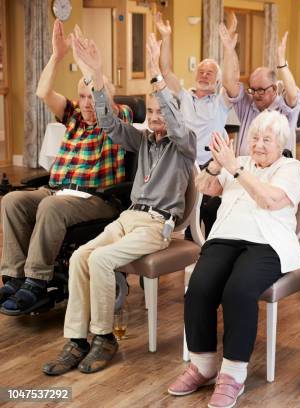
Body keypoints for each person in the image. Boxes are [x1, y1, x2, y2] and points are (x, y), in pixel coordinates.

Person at [42, 33, 196, 375]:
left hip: (158, 225)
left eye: (161, 112)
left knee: (100, 259)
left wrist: (157, 74)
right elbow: (109, 124)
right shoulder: (141, 140)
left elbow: (174, 119)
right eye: (151, 112)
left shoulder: (185, 144)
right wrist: (97, 75)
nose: (155, 117)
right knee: (82, 256)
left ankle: (103, 337)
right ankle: (77, 341)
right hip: (129, 217)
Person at [167, 111, 300, 408]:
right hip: (225, 237)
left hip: (268, 243)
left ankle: (232, 375)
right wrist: (216, 166)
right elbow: (206, 187)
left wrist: (235, 169)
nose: (259, 144)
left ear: (280, 144)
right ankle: (202, 366)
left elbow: (270, 200)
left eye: (267, 139)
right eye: (254, 138)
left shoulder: (291, 167)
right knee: (199, 287)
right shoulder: (237, 161)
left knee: (238, 291)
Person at [0, 20, 132, 315]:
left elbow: (103, 101)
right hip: (58, 191)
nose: (87, 104)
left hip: (97, 199)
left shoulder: (117, 117)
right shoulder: (72, 115)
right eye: (82, 96)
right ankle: (15, 276)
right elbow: (43, 91)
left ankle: (36, 281)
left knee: (50, 209)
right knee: (12, 201)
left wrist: (92, 68)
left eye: (92, 97)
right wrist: (57, 56)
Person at [155, 13, 231, 236]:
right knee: (182, 213)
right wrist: (166, 37)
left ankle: (210, 245)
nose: (204, 75)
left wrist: (228, 48)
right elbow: (166, 71)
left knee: (210, 211)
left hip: (211, 166)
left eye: (210, 73)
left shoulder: (221, 101)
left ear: (217, 81)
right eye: (201, 71)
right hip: (184, 165)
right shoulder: (183, 96)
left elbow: (230, 80)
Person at [219, 15, 300, 155]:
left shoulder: (284, 109)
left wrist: (281, 62)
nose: (256, 94)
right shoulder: (247, 104)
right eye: (253, 89)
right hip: (243, 169)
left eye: (261, 90)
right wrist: (228, 50)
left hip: (273, 173)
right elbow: (227, 82)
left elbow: (293, 94)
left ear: (274, 89)